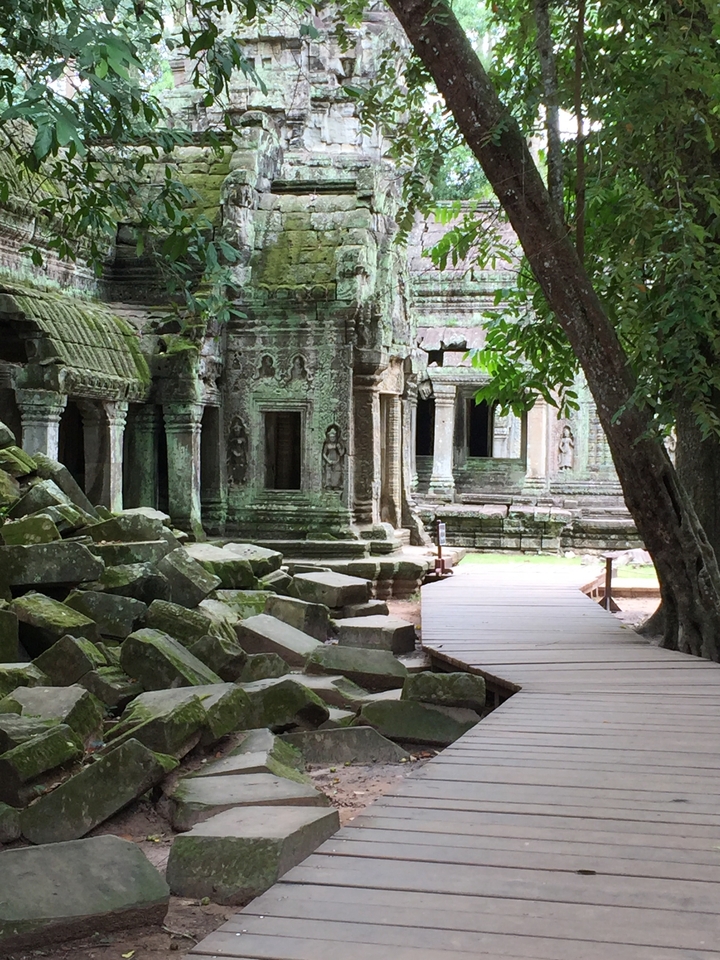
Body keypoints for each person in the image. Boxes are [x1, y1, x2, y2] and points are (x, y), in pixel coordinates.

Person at [322, 424, 346, 491]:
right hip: (329, 460)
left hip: (336, 460)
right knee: (329, 473)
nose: (332, 438)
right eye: (331, 437)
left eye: (333, 437)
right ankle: (328, 485)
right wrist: (328, 460)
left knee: (336, 473)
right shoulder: (327, 445)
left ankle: (336, 485)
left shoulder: (337, 445)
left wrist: (343, 449)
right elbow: (324, 454)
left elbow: (340, 453)